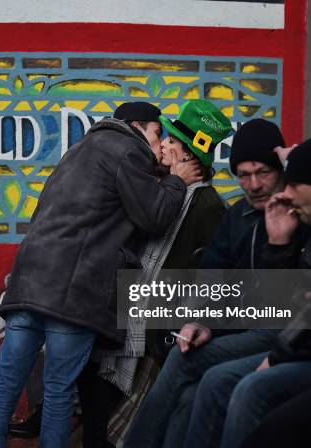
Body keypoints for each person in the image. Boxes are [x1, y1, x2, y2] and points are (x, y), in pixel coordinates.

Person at [0, 101, 203, 448]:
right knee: (58, 392)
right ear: (138, 126)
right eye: (158, 133)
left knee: (5, 384)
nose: (161, 144)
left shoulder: (81, 149)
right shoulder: (130, 151)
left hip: (29, 283)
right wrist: (175, 181)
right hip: (74, 294)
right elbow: (155, 216)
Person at [182, 135, 311, 448]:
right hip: (302, 343)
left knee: (248, 390)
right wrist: (278, 244)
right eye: (243, 175)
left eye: (266, 173)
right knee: (195, 382)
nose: (286, 194)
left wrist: (278, 357)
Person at [124, 118, 288, 448]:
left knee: (187, 363)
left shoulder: (296, 210)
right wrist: (199, 321)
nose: (254, 184)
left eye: (263, 173)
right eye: (244, 175)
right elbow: (213, 273)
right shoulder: (238, 216)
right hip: (237, 331)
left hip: (281, 333)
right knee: (187, 396)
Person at [79, 99, 230, 448]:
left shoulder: (207, 206)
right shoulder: (160, 187)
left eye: (172, 142)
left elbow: (209, 279)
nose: (162, 144)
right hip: (124, 322)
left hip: (156, 336)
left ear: (190, 156)